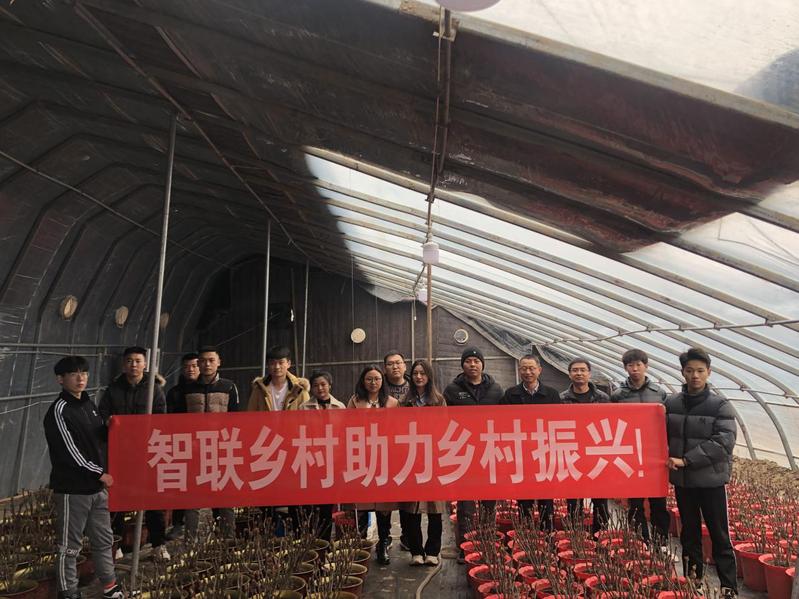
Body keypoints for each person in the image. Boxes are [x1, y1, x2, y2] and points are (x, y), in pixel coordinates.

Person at [43, 356, 124, 599]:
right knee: (69, 547)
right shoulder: (59, 411)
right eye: (74, 374)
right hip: (73, 490)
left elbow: (96, 440)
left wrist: (109, 428)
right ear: (60, 379)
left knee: (104, 540)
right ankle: (68, 592)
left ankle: (109, 585)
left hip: (96, 489)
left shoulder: (88, 405)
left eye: (84, 373)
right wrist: (99, 473)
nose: (81, 378)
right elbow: (71, 453)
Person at [666, 347, 737, 597]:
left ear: (708, 372)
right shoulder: (671, 403)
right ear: (682, 372)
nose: (695, 375)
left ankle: (728, 586)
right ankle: (693, 581)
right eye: (689, 371)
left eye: (700, 371)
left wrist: (687, 460)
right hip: (684, 483)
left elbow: (723, 442)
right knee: (689, 533)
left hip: (711, 482)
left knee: (719, 534)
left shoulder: (720, 405)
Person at [98, 346, 169, 561]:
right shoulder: (113, 390)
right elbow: (102, 414)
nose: (134, 365)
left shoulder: (154, 390)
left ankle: (158, 544)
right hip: (121, 453)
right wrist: (108, 421)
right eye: (129, 361)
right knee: (118, 499)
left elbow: (161, 418)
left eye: (138, 361)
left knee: (153, 500)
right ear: (124, 365)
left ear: (145, 364)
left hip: (147, 452)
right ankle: (117, 544)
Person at [443, 346, 503, 562]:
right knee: (465, 503)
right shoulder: (452, 390)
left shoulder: (496, 390)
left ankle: (487, 543)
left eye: (476, 361)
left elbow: (505, 419)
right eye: (468, 361)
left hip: (489, 450)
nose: (472, 364)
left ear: (482, 364)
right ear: (463, 365)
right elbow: (444, 419)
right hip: (464, 451)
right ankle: (465, 547)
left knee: (489, 501)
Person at [611, 348, 669, 543]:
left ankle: (661, 542)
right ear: (625, 368)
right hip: (631, 454)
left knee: (658, 501)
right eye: (630, 365)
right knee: (635, 502)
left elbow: (666, 423)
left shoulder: (659, 393)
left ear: (646, 366)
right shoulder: (618, 395)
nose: (635, 369)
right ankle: (640, 541)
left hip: (654, 455)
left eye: (638, 365)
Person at [182, 346, 239, 539]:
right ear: (198, 363)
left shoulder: (229, 386)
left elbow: (236, 419)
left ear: (218, 362)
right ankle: (190, 542)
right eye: (203, 360)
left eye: (211, 360)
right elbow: (178, 421)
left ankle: (228, 539)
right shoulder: (188, 389)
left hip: (221, 449)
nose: (207, 364)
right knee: (192, 499)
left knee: (226, 497)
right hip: (194, 450)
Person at [500, 354, 561, 530]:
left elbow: (559, 421)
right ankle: (526, 534)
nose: (528, 372)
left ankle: (547, 534)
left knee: (546, 498)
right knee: (524, 498)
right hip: (522, 454)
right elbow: (503, 422)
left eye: (532, 368)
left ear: (539, 370)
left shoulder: (552, 394)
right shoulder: (511, 394)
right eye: (524, 368)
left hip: (545, 453)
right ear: (519, 371)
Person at [347, 365, 399, 565]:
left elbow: (397, 430)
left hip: (384, 459)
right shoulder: (354, 401)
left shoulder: (392, 403)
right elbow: (347, 428)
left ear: (382, 381)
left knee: (383, 504)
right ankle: (360, 544)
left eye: (377, 379)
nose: (373, 382)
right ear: (363, 381)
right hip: (361, 458)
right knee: (361, 502)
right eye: (369, 379)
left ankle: (383, 542)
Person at [399, 360, 447, 566]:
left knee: (435, 508)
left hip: (433, 458)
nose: (419, 377)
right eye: (415, 373)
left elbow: (444, 427)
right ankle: (416, 551)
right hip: (410, 458)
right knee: (411, 508)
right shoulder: (404, 402)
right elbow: (397, 429)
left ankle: (433, 551)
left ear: (429, 376)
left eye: (423, 373)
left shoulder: (438, 400)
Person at [294, 370, 346, 542]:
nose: (320, 388)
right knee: (311, 503)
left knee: (327, 505)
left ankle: (324, 541)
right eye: (316, 385)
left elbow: (344, 434)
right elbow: (300, 434)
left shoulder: (340, 407)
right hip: (312, 461)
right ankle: (310, 539)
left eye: (323, 384)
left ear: (330, 385)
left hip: (333, 462)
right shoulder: (304, 408)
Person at [560, 357, 610, 534]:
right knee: (574, 499)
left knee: (600, 499)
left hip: (596, 453)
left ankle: (600, 535)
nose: (579, 373)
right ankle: (576, 536)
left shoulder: (603, 398)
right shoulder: (562, 399)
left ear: (589, 373)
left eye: (583, 370)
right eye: (575, 370)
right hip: (573, 454)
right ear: (569, 374)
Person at [164, 352, 199, 540]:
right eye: (186, 366)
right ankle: (178, 524)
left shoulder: (206, 389)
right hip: (182, 444)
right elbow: (169, 420)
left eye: (194, 365)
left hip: (204, 444)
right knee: (181, 486)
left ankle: (217, 523)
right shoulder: (175, 393)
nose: (190, 369)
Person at [382, 350, 411, 552]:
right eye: (391, 363)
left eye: (398, 362)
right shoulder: (378, 385)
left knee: (406, 496)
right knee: (384, 497)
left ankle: (407, 536)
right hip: (384, 449)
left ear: (404, 365)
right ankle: (384, 537)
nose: (395, 366)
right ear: (385, 368)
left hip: (408, 449)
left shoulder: (414, 386)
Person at [246, 345, 310, 412]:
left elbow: (307, 414)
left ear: (289, 364)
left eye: (281, 363)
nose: (277, 367)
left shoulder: (299, 388)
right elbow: (251, 413)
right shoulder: (259, 388)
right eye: (272, 363)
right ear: (268, 365)